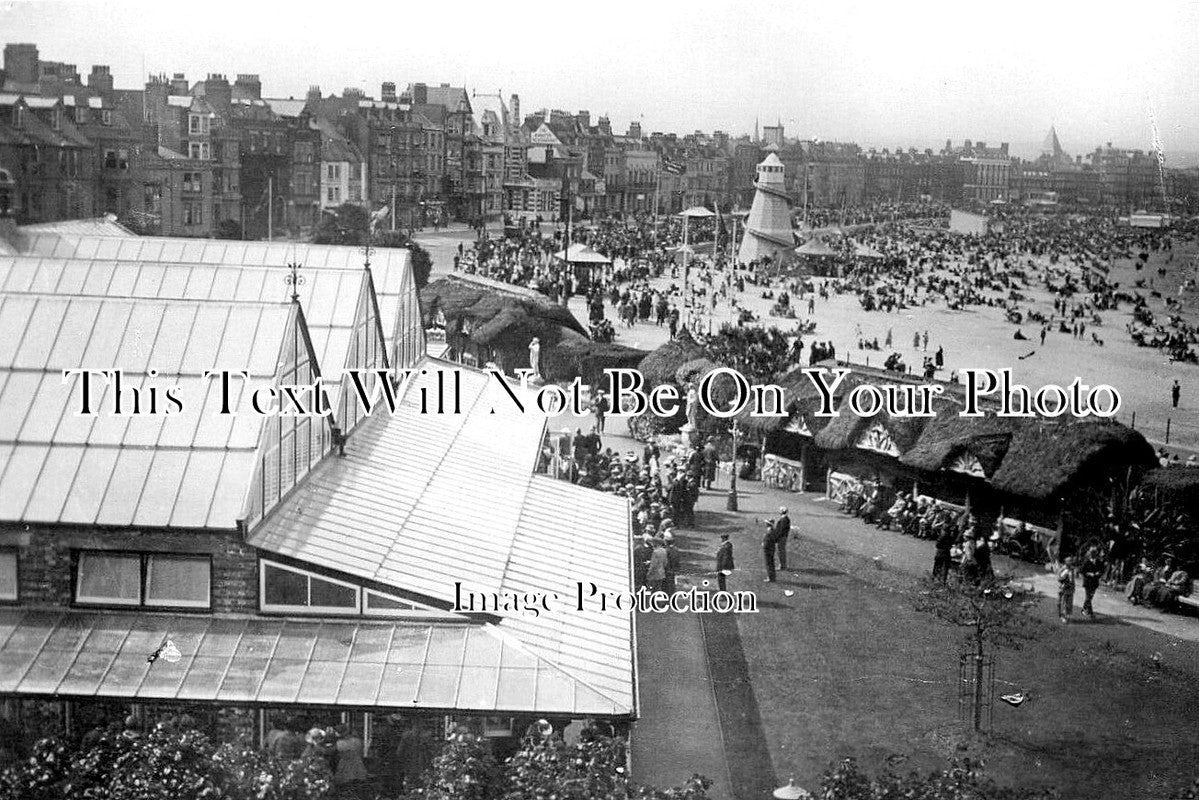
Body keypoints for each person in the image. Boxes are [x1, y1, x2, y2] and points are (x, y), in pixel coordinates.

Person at [333, 723, 369, 795]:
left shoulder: (340, 743)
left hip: (345, 768)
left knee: (345, 788)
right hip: (359, 767)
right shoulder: (357, 740)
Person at [1080, 546, 1105, 618]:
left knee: (1090, 597)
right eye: (1092, 553)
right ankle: (1088, 611)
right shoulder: (1086, 562)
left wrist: (1098, 573)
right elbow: (1082, 571)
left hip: (1094, 582)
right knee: (1088, 596)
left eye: (1094, 553)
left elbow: (1102, 570)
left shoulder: (1099, 562)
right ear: (1090, 553)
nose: (1093, 554)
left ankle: (1087, 610)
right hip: (1087, 581)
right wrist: (1088, 573)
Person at [762, 517, 782, 583]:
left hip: (768, 548)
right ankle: (772, 577)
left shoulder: (770, 531)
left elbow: (767, 540)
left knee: (768, 563)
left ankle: (770, 577)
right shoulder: (773, 530)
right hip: (771, 548)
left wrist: (764, 545)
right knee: (771, 563)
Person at [1058, 557, 1077, 624]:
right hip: (1064, 588)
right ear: (1065, 562)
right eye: (1069, 561)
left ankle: (1067, 616)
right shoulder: (1063, 568)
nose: (1070, 562)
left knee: (1069, 603)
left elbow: (1073, 579)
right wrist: (1064, 577)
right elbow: (1059, 578)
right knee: (1064, 603)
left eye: (1071, 561)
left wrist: (1073, 587)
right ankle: (1063, 617)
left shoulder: (1072, 569)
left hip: (1071, 588)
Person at [774, 507, 792, 571]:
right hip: (783, 537)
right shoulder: (786, 519)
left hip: (781, 537)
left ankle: (782, 565)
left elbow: (780, 530)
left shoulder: (783, 519)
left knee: (781, 551)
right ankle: (782, 565)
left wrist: (776, 537)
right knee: (781, 551)